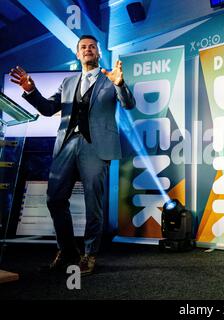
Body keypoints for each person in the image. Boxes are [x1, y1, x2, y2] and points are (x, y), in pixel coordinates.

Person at [9, 35, 135, 275]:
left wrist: (119, 84)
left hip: (96, 147)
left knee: (93, 204)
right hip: (66, 145)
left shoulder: (110, 79)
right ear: (78, 54)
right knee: (54, 200)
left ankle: (89, 254)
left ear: (98, 53)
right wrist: (31, 90)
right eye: (83, 47)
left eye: (92, 47)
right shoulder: (67, 82)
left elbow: (129, 104)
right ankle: (68, 252)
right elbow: (48, 109)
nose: (88, 50)